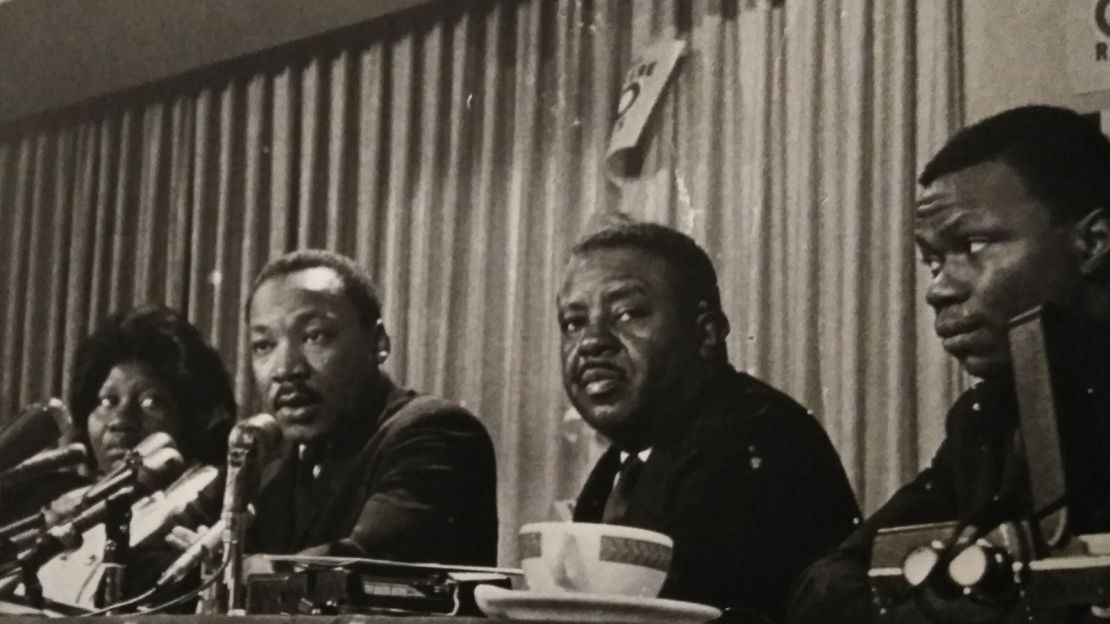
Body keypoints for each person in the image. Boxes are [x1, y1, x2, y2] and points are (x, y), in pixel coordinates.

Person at [786, 106, 1110, 623]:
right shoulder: (986, 417)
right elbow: (825, 585)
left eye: (972, 245)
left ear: (1092, 243)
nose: (939, 289)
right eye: (933, 262)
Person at [557, 222, 859, 621]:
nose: (592, 341)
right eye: (573, 323)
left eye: (628, 313)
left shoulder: (754, 440)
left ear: (707, 335)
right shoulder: (624, 463)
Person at [244, 249, 498, 565]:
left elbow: (365, 560)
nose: (284, 369)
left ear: (378, 342)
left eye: (314, 336)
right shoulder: (270, 462)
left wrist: (240, 570)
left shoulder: (435, 433)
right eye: (264, 346)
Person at [6, 304, 235, 609]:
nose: (120, 419)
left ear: (191, 417)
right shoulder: (60, 498)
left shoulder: (210, 497)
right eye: (106, 401)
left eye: (150, 402)